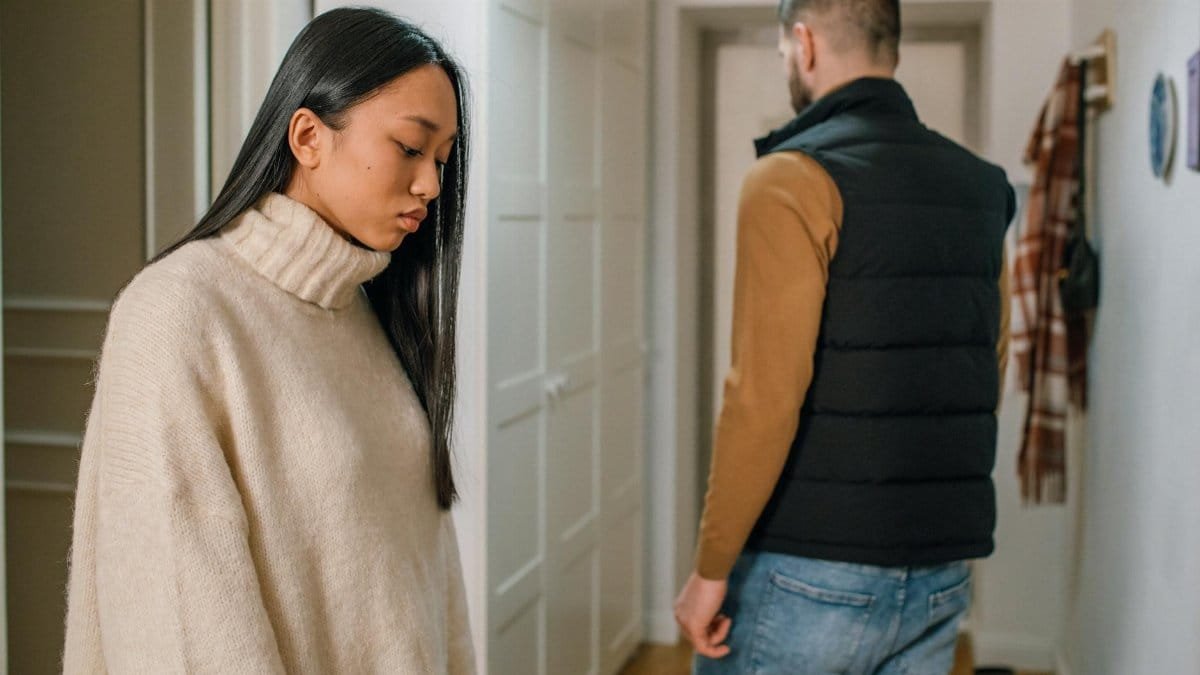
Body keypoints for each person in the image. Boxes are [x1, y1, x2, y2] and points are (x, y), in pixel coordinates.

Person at [62, 8, 475, 673]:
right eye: (409, 147)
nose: (431, 183)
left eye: (442, 158)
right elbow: (178, 633)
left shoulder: (364, 310)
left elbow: (427, 585)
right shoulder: (179, 314)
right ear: (309, 136)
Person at [674, 0, 1014, 673]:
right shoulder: (982, 187)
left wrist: (710, 568)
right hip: (942, 569)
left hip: (810, 569)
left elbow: (762, 398)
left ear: (803, 44)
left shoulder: (790, 178)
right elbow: (990, 362)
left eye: (782, 54)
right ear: (891, 44)